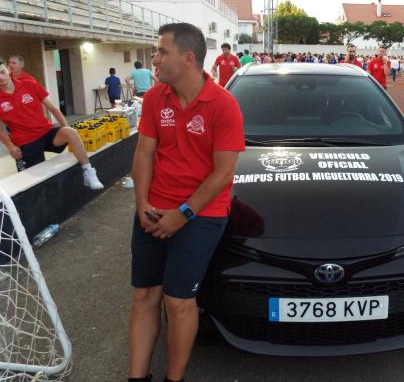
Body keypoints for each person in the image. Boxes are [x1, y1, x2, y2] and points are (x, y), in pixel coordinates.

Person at [128, 23, 244, 382]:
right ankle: (136, 377)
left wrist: (183, 214)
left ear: (188, 58)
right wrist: (142, 205)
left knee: (178, 301)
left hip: (201, 214)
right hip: (153, 209)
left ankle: (173, 378)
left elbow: (223, 174)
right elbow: (144, 153)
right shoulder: (154, 98)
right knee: (146, 294)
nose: (155, 58)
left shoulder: (223, 106)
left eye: (162, 51)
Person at [0, 58, 103, 187]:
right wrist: (10, 146)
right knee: (32, 183)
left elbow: (53, 109)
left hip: (45, 132)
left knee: (70, 132)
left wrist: (68, 130)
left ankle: (88, 172)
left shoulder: (30, 85)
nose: (1, 77)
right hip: (24, 142)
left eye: (2, 72)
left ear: (8, 70)